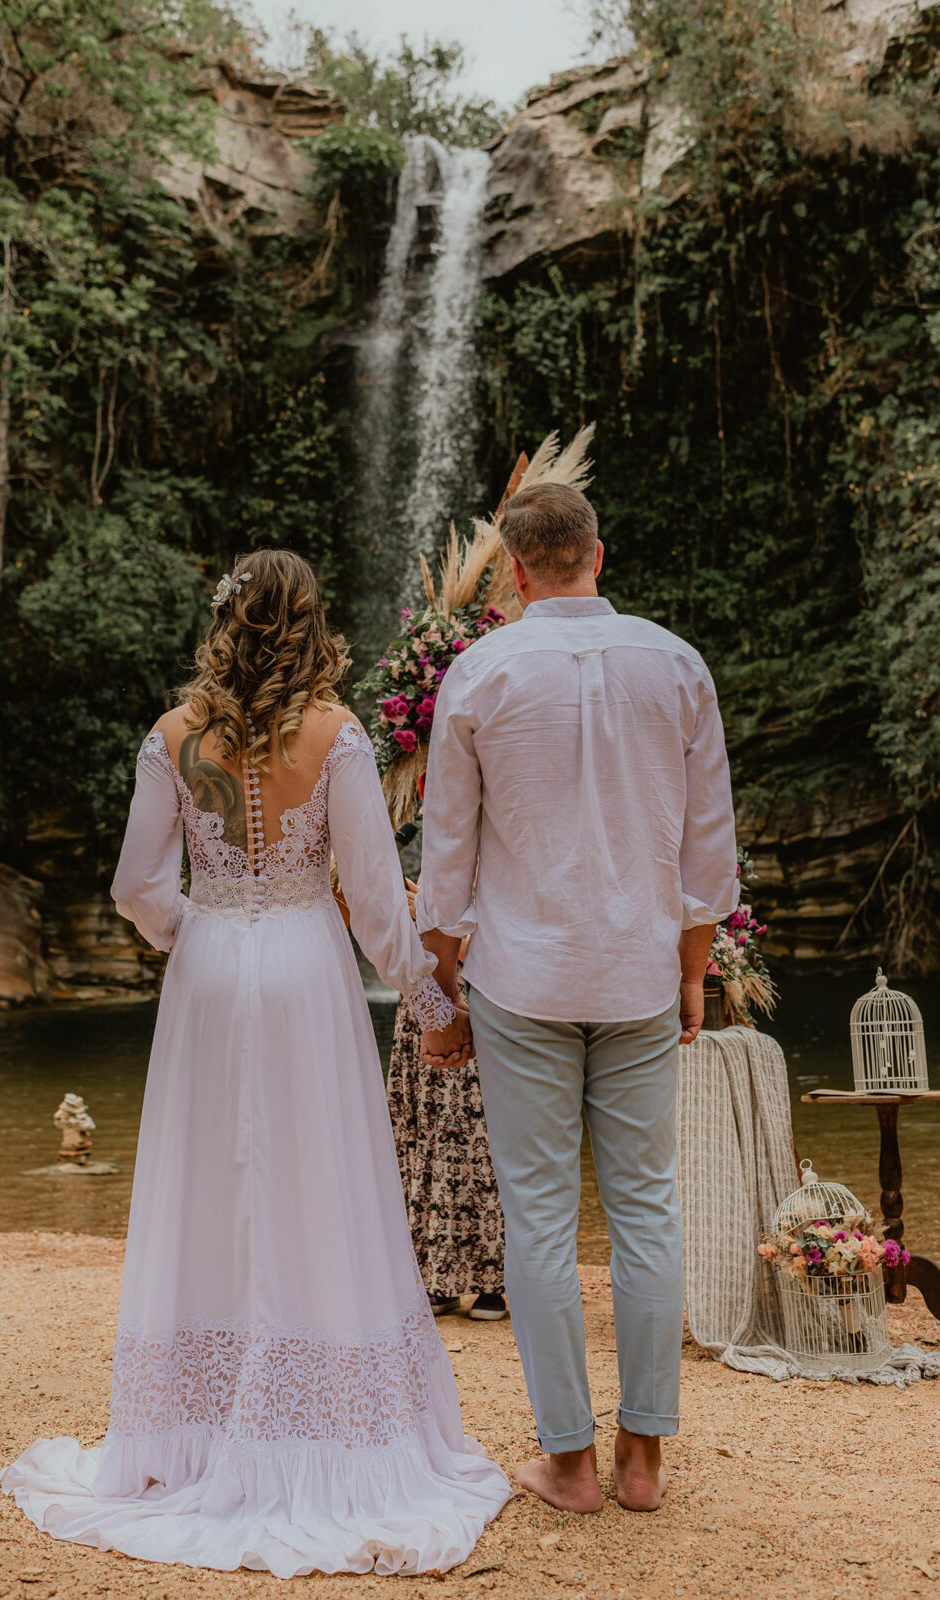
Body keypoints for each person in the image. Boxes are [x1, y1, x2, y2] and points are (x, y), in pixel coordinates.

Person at [0, 548, 510, 1576]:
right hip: (307, 975)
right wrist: (433, 1001)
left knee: (209, 1182)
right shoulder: (339, 736)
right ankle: (317, 1426)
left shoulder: (172, 738)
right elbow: (372, 898)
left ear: (224, 624)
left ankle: (188, 1426)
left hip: (212, 972)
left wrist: (200, 926)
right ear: (312, 626)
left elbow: (138, 883)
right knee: (318, 1179)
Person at [415, 484, 738, 1515]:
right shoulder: (677, 665)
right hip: (641, 973)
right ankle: (645, 1459)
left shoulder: (478, 671)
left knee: (541, 1218)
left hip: (523, 980)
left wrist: (447, 991)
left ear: (513, 571)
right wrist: (693, 969)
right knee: (647, 1206)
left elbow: (447, 863)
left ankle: (570, 1463)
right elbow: (709, 851)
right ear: (598, 553)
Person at [387, 968, 507, 1321]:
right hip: (421, 996)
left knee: (478, 1131)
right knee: (424, 1134)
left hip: (478, 987)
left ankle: (492, 1279)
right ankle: (437, 1276)